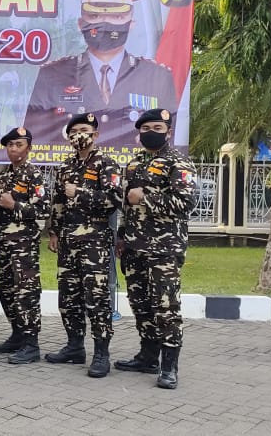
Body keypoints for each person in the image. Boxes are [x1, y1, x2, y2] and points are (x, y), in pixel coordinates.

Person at [24, 0, 175, 150]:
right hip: (74, 171)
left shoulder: (157, 77)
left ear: (131, 23)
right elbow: (34, 142)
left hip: (135, 173)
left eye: (117, 17)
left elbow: (169, 141)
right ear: (81, 23)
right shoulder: (52, 75)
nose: (106, 24)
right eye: (95, 15)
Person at [118, 108, 196, 390]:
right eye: (146, 127)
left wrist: (146, 196)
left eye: (157, 127)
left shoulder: (179, 163)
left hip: (164, 249)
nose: (151, 132)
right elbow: (128, 206)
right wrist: (121, 236)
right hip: (134, 247)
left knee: (165, 306)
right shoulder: (135, 163)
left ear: (168, 131)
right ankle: (148, 355)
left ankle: (169, 366)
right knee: (140, 303)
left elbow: (184, 204)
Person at [44, 113, 124, 378]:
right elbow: (57, 202)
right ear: (69, 137)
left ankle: (101, 353)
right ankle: (74, 346)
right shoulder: (65, 167)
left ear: (95, 135)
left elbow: (113, 200)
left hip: (95, 242)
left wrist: (78, 193)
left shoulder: (106, 164)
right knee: (68, 298)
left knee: (97, 299)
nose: (80, 134)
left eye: (85, 130)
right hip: (68, 242)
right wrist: (54, 232)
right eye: (75, 130)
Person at [0, 128, 50, 364]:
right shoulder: (4, 175)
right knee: (6, 291)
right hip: (5, 243)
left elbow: (43, 211)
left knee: (26, 292)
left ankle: (30, 343)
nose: (14, 149)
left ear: (28, 147)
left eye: (19, 144)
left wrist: (14, 205)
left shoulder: (34, 175)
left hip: (24, 244)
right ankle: (16, 335)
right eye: (10, 145)